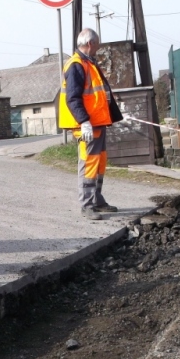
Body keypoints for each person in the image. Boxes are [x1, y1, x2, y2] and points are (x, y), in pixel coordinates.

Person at [58, 27, 123, 220]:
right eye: (97, 45)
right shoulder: (77, 65)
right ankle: (87, 205)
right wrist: (84, 121)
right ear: (90, 44)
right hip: (87, 125)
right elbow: (73, 98)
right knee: (88, 163)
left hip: (97, 123)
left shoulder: (88, 63)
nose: (98, 48)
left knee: (99, 161)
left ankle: (96, 199)